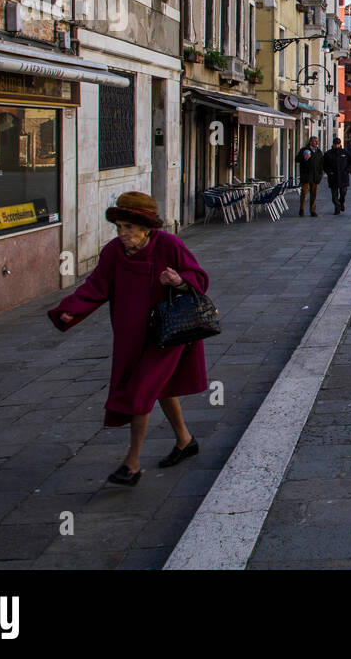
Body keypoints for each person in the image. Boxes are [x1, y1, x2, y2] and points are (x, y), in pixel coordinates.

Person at [47, 192, 208, 486]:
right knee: (159, 388)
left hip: (167, 335)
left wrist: (179, 281)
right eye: (119, 227)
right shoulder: (113, 253)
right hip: (131, 337)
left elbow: (198, 277)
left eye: (128, 228)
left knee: (140, 392)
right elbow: (95, 286)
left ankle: (131, 463)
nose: (122, 234)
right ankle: (185, 440)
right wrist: (69, 310)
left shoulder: (169, 245)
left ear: (146, 227)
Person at [295, 135, 324, 217]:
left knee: (314, 194)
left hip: (315, 176)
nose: (317, 143)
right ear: (311, 142)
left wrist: (320, 174)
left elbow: (321, 163)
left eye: (317, 141)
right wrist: (304, 158)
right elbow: (297, 159)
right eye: (315, 141)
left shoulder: (318, 152)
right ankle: (302, 209)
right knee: (304, 193)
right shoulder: (304, 150)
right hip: (306, 176)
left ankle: (312, 210)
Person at [324, 138, 351, 214]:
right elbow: (324, 165)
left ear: (340, 144)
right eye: (335, 144)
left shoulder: (345, 152)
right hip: (333, 177)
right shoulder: (328, 153)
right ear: (333, 144)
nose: (337, 145)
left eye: (338, 144)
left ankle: (341, 202)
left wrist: (347, 170)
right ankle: (337, 207)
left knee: (343, 192)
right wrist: (329, 172)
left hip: (343, 176)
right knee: (334, 195)